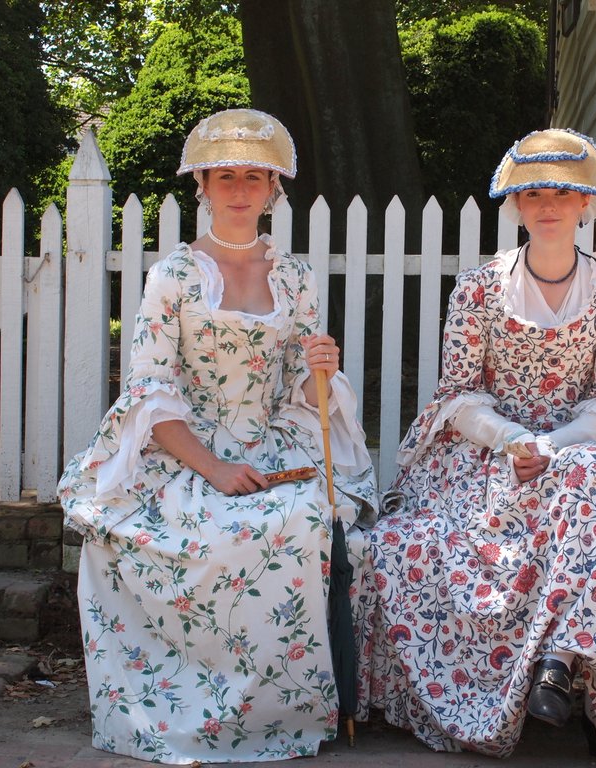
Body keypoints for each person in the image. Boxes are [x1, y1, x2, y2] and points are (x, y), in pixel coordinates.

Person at [355, 129, 596, 768]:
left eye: (563, 193)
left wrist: (551, 446)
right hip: (489, 457)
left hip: (580, 448)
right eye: (534, 193)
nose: (548, 205)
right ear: (517, 205)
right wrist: (517, 440)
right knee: (578, 489)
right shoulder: (478, 289)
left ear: (585, 204)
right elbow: (458, 395)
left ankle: (576, 673)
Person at [59, 108, 377, 764]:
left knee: (305, 520)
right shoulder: (173, 277)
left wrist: (323, 371)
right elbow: (151, 391)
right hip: (187, 450)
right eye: (224, 175)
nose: (239, 189)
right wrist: (214, 469)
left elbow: (306, 400)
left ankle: (289, 706)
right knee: (206, 533)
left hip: (273, 442)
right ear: (200, 184)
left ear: (272, 189)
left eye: (253, 177)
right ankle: (190, 707)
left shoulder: (295, 279)